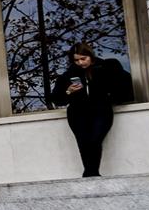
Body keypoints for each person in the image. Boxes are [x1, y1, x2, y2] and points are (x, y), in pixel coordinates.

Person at [49, 42, 132, 177]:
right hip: (78, 113)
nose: (80, 63)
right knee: (83, 143)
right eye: (76, 60)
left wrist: (111, 95)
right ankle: (91, 173)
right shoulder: (68, 75)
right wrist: (68, 91)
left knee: (95, 140)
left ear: (90, 56)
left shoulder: (106, 67)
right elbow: (57, 99)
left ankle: (90, 173)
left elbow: (125, 85)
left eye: (83, 58)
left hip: (101, 110)